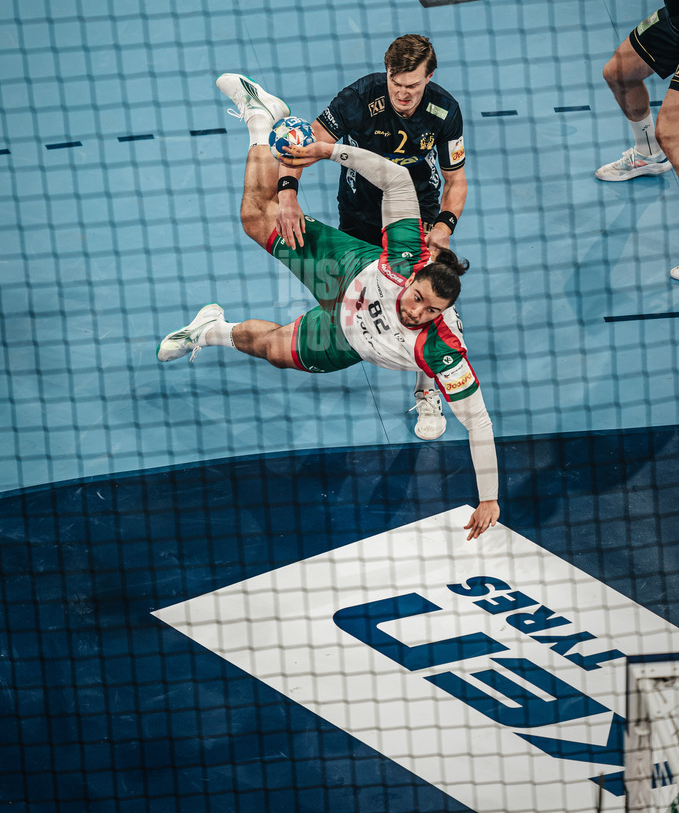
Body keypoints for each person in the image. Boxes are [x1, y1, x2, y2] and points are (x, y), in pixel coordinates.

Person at [157, 75, 499, 540]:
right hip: (345, 270)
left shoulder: (441, 348)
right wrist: (328, 151)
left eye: (429, 311)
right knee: (255, 219)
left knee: (275, 350)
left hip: (347, 339)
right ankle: (261, 118)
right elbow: (397, 179)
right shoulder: (402, 256)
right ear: (414, 277)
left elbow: (477, 419)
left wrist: (489, 497)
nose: (417, 311)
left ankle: (212, 329)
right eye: (418, 298)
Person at [218, 35, 467, 440]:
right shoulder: (360, 96)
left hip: (413, 218)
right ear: (386, 73)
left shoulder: (444, 111)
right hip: (358, 211)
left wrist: (444, 225)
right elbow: (308, 145)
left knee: (423, 306)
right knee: (348, 297)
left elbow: (456, 180)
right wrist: (287, 194)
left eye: (413, 86)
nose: (403, 94)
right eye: (396, 83)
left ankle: (426, 392)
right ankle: (263, 120)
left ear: (430, 78)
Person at [597, 0, 679, 279]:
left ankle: (660, 144)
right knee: (619, 73)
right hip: (678, 18)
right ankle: (648, 155)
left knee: (675, 130)